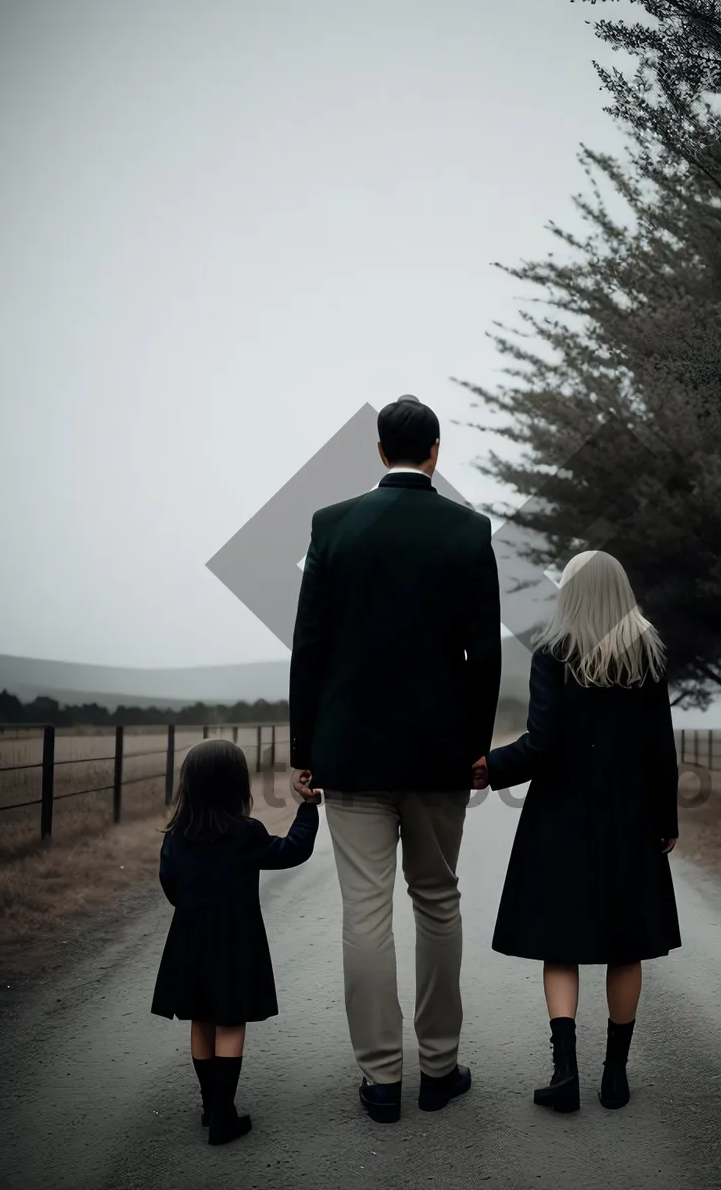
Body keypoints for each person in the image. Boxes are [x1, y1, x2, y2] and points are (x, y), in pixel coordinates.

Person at [288, 394, 501, 1124]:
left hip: (349, 752)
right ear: (435, 450)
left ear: (382, 453)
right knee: (438, 902)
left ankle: (381, 1080)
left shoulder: (333, 526)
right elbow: (486, 654)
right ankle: (439, 1068)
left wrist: (303, 749)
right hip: (441, 752)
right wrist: (476, 744)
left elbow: (309, 647)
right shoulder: (470, 530)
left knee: (364, 912)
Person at [472, 550, 681, 1113]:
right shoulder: (647, 655)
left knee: (559, 946)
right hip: (631, 819)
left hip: (560, 818)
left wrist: (491, 766)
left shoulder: (554, 653)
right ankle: (615, 1077)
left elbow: (541, 745)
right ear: (620, 590)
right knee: (626, 945)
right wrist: (666, 820)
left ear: (570, 593)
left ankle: (565, 1074)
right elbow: (661, 749)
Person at [150, 738, 320, 1145]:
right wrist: (308, 808)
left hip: (189, 940)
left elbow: (169, 885)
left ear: (188, 786)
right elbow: (292, 851)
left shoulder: (176, 837)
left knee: (201, 1018)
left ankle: (210, 1107)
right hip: (235, 941)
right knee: (230, 1021)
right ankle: (224, 1114)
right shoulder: (245, 833)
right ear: (236, 786)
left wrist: (194, 910)